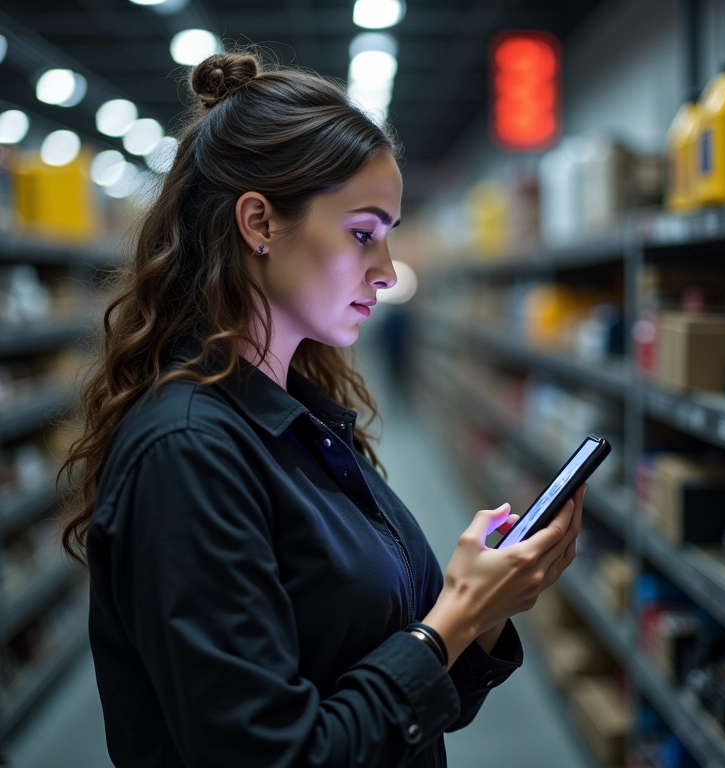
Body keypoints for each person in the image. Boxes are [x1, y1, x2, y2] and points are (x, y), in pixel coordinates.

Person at [59, 49, 584, 768]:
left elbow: (403, 698)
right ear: (260, 223)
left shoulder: (299, 420)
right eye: (363, 232)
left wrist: (481, 613)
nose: (389, 269)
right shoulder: (187, 453)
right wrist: (452, 617)